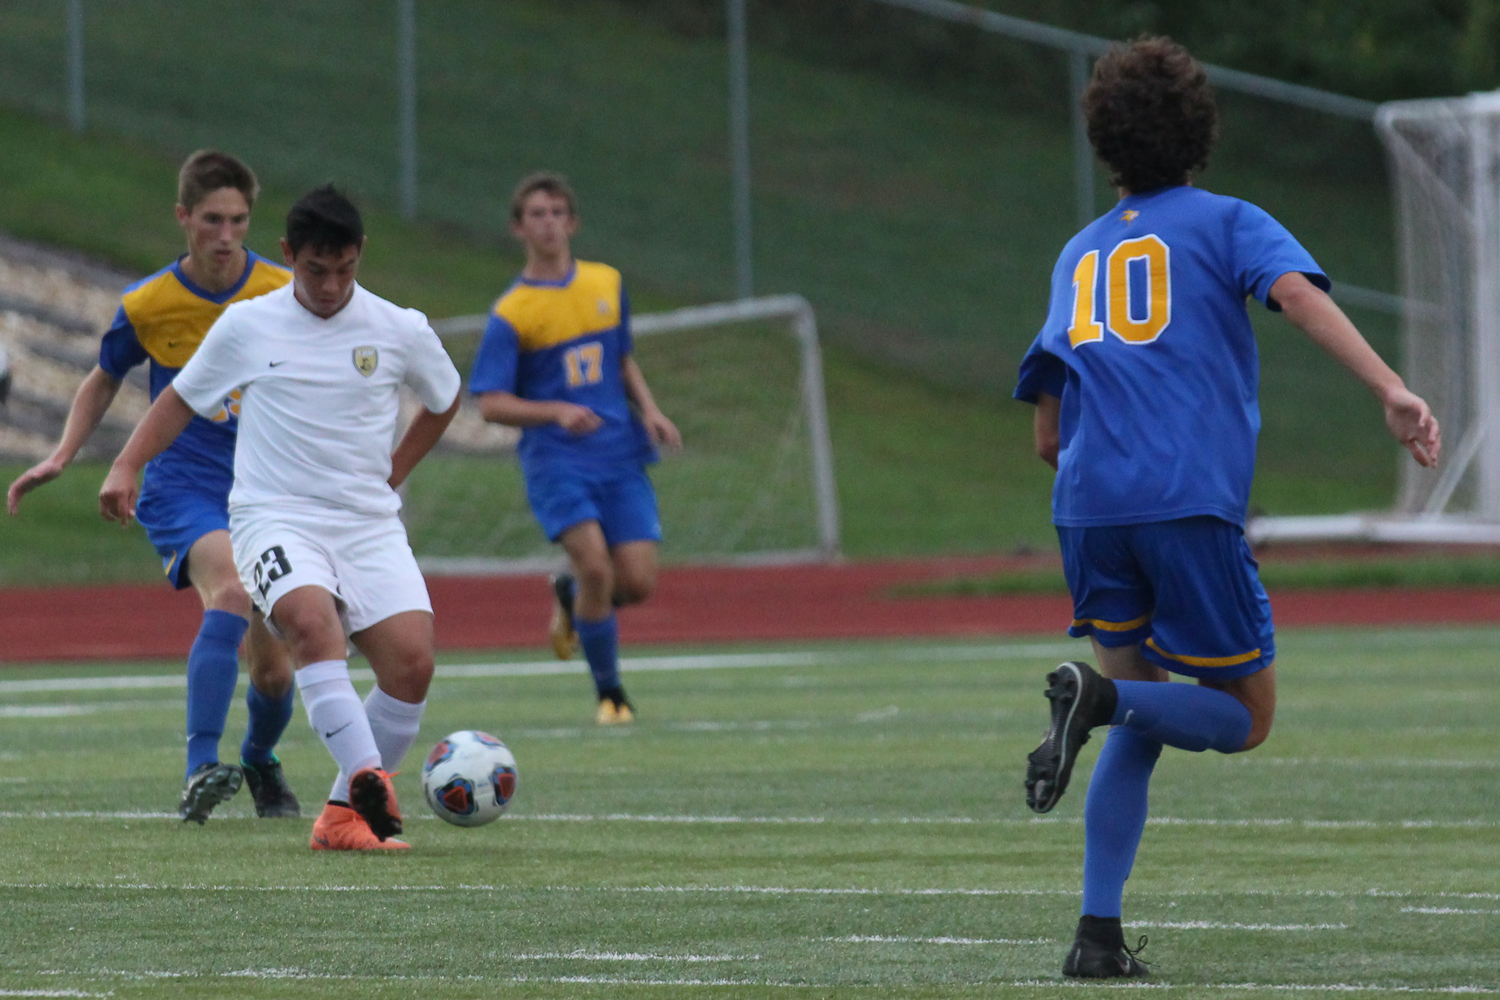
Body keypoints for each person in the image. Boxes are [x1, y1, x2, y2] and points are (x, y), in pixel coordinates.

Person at [1013, 37, 1441, 979]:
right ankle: (1100, 701)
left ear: (1106, 143)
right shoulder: (1229, 221)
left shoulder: (1078, 253)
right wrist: (1391, 388)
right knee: (1242, 716)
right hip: (1182, 500)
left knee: (1142, 713)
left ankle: (1096, 939)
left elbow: (1046, 432)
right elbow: (1295, 294)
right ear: (1200, 134)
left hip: (1086, 505)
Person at [99, 185, 462, 851]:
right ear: (291, 255)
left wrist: (396, 469)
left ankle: (340, 818)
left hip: (368, 523)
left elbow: (445, 396)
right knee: (307, 624)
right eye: (316, 270)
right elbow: (179, 400)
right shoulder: (248, 325)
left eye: (345, 269)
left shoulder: (398, 328)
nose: (330, 286)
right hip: (274, 518)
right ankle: (365, 778)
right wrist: (126, 465)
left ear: (360, 257)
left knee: (411, 666)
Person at [6, 150, 301, 824]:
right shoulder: (150, 302)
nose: (225, 236)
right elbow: (104, 375)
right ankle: (201, 766)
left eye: (238, 221)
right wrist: (65, 454)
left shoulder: (284, 292)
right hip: (183, 484)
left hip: (266, 490)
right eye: (210, 220)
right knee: (229, 586)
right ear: (182, 218)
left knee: (276, 671)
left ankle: (259, 759)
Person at [470, 172, 681, 725]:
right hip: (556, 459)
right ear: (519, 228)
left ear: (573, 223)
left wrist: (651, 411)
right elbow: (490, 403)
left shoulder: (607, 283)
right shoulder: (512, 313)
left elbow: (623, 358)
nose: (549, 223)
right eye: (536, 214)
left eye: (558, 212)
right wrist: (555, 411)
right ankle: (611, 695)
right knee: (595, 566)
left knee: (635, 582)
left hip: (619, 452)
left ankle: (570, 599)